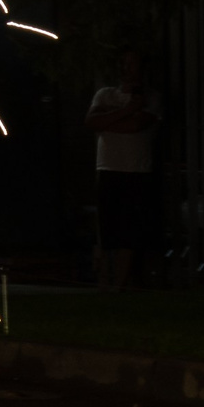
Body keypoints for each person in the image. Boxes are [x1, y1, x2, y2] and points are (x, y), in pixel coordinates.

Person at [86, 49, 161, 290]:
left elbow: (137, 125)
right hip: (108, 168)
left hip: (136, 171)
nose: (128, 70)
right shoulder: (105, 94)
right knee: (107, 227)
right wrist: (127, 111)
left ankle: (119, 283)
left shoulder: (153, 97)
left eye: (134, 64)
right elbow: (92, 122)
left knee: (129, 229)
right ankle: (106, 280)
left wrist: (112, 121)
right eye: (125, 64)